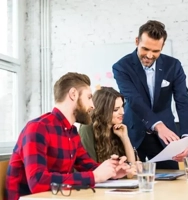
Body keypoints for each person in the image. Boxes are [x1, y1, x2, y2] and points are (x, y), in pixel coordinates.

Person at [5, 72, 131, 200]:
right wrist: (95, 176)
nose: (92, 105)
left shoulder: (71, 132)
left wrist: (113, 171)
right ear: (73, 94)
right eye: (89, 98)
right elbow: (38, 182)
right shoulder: (38, 128)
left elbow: (89, 166)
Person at [112, 20, 188, 169]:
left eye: (155, 51)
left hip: (166, 139)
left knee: (172, 184)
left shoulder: (173, 66)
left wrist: (186, 138)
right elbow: (134, 99)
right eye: (145, 49)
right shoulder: (121, 67)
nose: (149, 55)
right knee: (133, 180)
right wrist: (158, 125)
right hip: (134, 134)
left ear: (162, 47)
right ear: (137, 41)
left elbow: (183, 101)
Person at [79, 87, 137, 178]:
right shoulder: (87, 128)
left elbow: (131, 171)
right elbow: (90, 169)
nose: (122, 112)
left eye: (122, 106)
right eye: (116, 109)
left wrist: (125, 138)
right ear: (103, 111)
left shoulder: (119, 128)